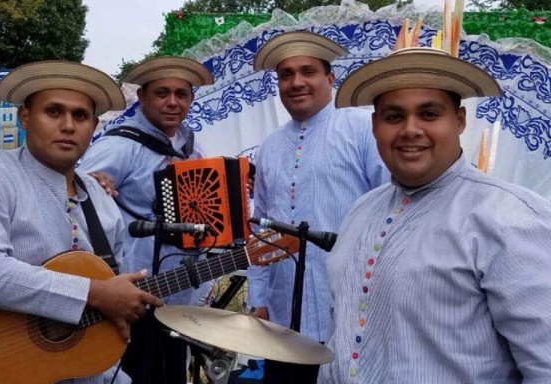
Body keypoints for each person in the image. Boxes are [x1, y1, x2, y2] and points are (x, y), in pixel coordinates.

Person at [320, 46, 551, 383]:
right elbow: (339, 336)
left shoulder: (508, 217)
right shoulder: (361, 211)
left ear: (459, 121)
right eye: (394, 116)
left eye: (428, 114)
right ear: (375, 125)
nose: (410, 130)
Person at [0, 61, 163, 383]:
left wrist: (121, 305)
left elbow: (114, 284)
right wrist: (93, 293)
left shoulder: (102, 199)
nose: (68, 126)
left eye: (80, 116)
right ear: (24, 117)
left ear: (94, 125)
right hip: (1, 369)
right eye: (53, 112)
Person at [247, 31, 389, 384]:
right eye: (286, 75)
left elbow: (393, 214)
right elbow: (260, 230)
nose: (296, 82)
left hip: (350, 312)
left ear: (330, 78)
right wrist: (258, 298)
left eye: (307, 71)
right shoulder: (270, 147)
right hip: (282, 320)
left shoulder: (362, 130)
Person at [78, 56, 214, 384]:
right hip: (133, 299)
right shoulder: (121, 144)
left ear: (191, 99)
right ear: (142, 97)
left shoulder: (190, 148)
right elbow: (77, 196)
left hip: (176, 296)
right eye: (161, 93)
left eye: (181, 94)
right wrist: (90, 181)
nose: (172, 102)